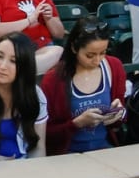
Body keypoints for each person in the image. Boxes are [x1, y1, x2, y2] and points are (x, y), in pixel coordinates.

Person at [40, 16, 127, 155]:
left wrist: (120, 114)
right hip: (68, 155)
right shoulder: (54, 80)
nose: (97, 60)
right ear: (74, 48)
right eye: (90, 55)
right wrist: (76, 124)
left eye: (103, 53)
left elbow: (120, 120)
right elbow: (45, 133)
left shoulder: (114, 67)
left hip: (105, 149)